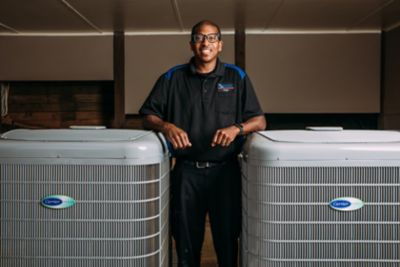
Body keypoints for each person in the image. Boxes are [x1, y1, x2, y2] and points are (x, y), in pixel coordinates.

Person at [139, 20, 266, 267]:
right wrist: (166, 125)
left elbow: (259, 121)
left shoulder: (236, 77)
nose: (205, 42)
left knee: (228, 240)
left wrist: (237, 128)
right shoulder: (172, 77)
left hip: (226, 172)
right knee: (185, 240)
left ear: (220, 45)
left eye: (211, 38)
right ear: (191, 44)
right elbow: (147, 117)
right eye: (199, 37)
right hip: (186, 172)